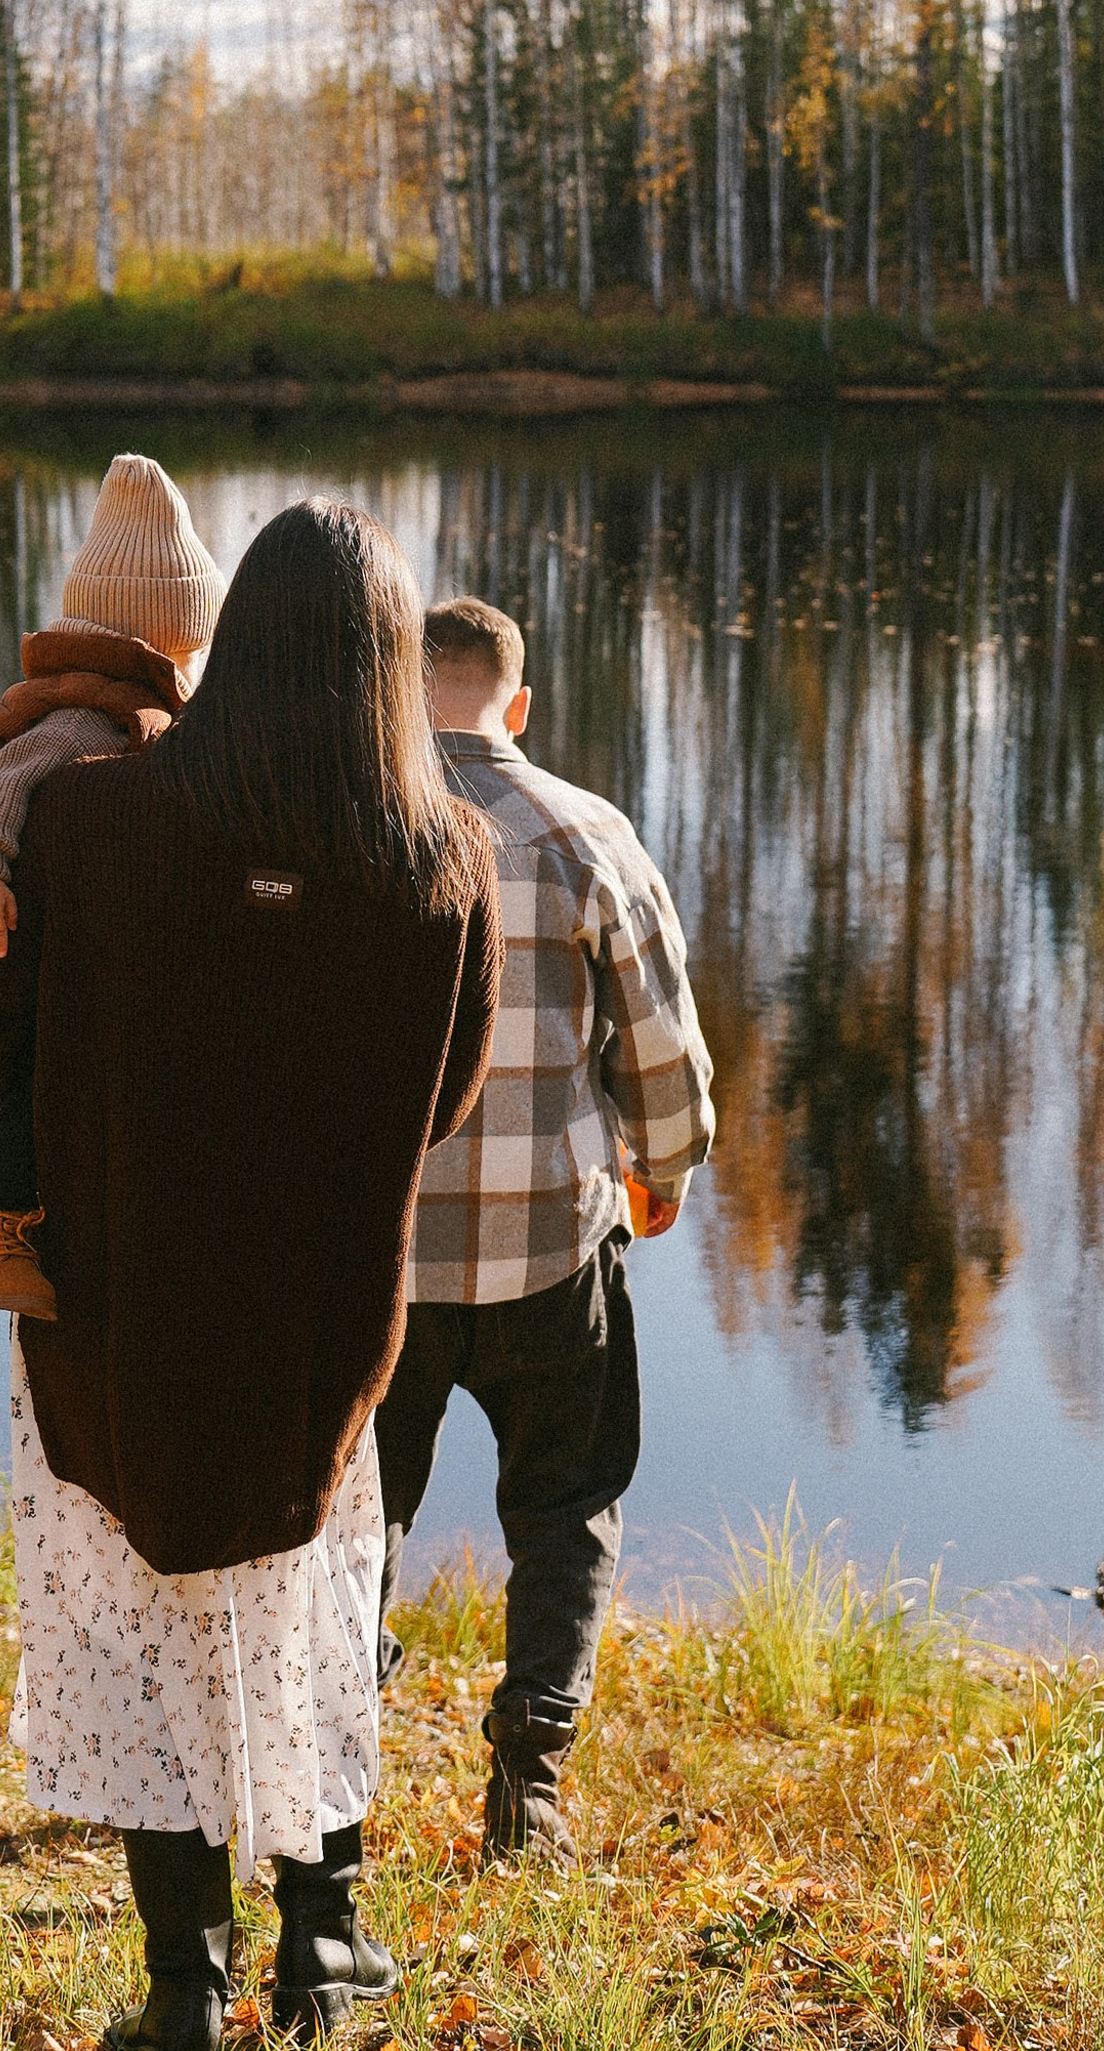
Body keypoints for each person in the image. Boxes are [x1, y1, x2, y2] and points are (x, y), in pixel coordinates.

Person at [0, 502, 503, 2050]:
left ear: (230, 638)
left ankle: (182, 1986)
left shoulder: (91, 818)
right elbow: (443, 1097)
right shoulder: (447, 861)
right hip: (319, 1325)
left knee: (137, 1623)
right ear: (392, 668)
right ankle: (323, 1948)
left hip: (118, 1315)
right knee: (306, 1605)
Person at [373, 595, 716, 1861]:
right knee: (565, 1506)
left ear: (402, 699)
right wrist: (664, 1165)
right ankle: (529, 1786)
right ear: (516, 708)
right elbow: (663, 1045)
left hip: (383, 1265)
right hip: (551, 1251)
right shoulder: (588, 832)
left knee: (362, 1516)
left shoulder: (357, 828)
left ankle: (335, 1760)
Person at [0, 453, 225, 1321]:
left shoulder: (126, 713)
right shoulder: (76, 717)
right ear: (160, 631)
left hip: (77, 929)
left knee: (54, 1069)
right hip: (30, 928)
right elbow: (4, 786)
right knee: (40, 1071)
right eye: (189, 635)